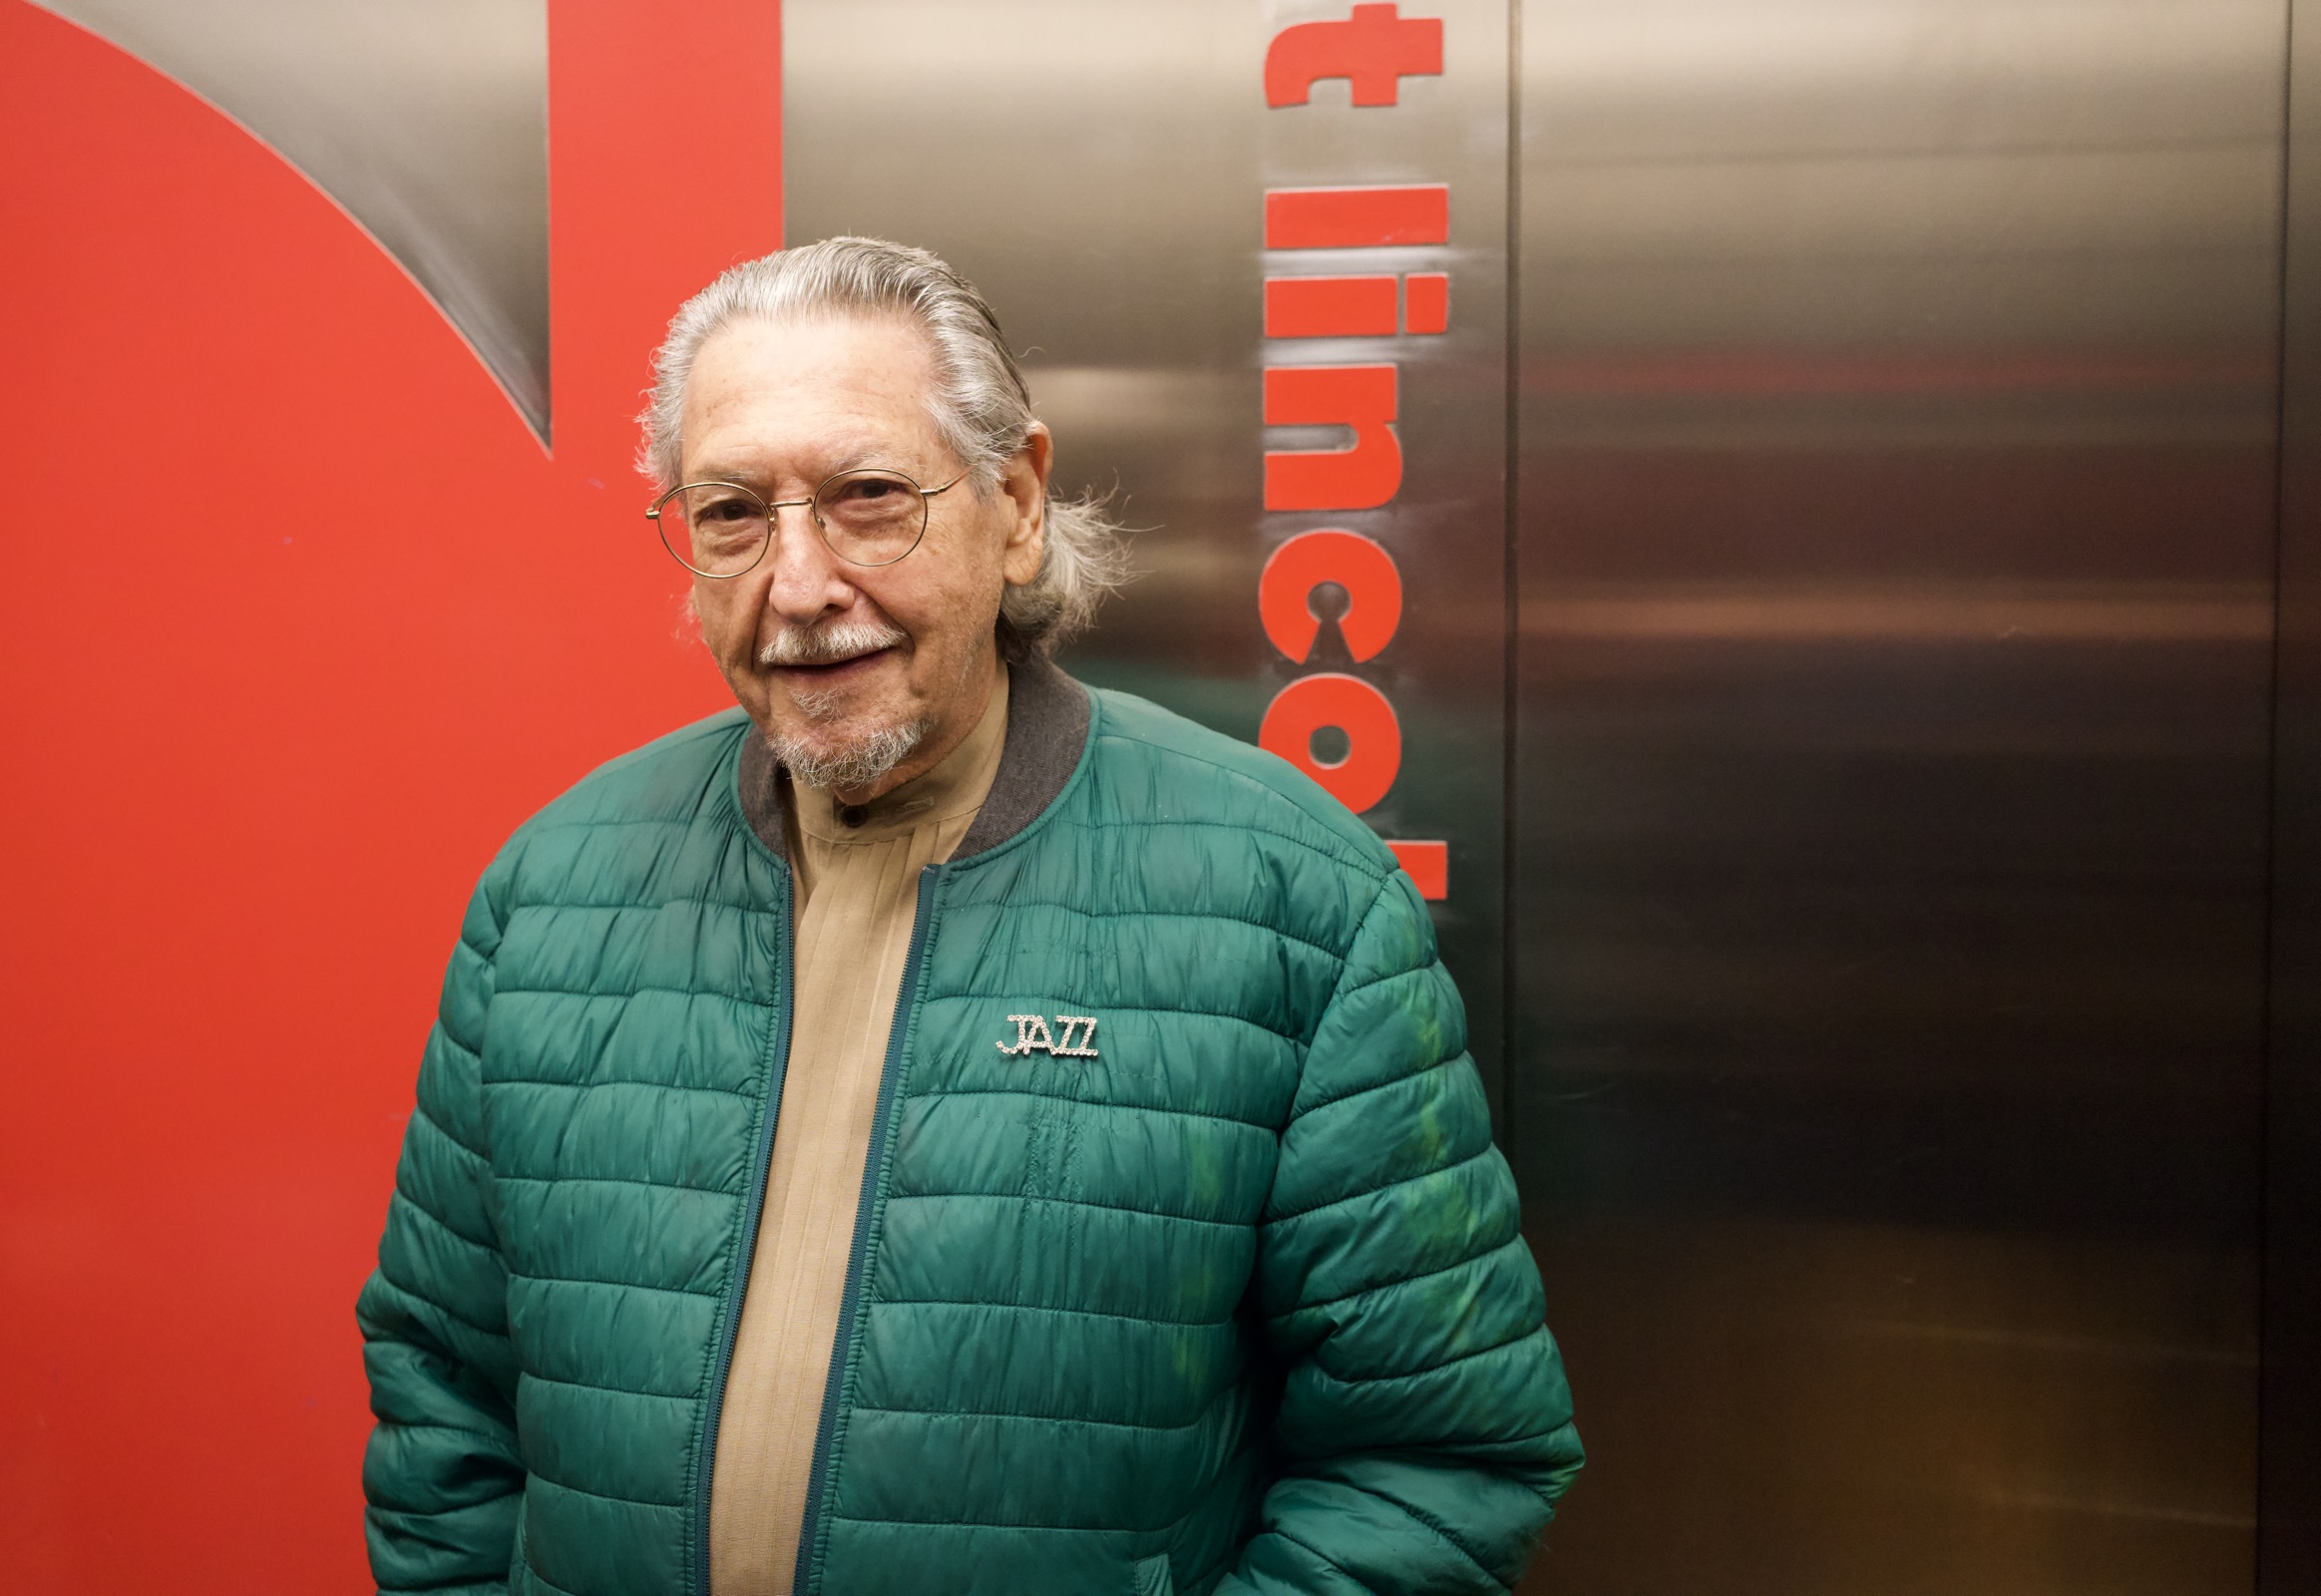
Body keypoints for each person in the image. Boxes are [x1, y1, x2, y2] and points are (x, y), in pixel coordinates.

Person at [357, 235, 1582, 1596]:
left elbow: (1435, 1456)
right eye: (732, 515)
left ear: (1016, 503)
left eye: (869, 496)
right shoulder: (552, 891)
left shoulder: (1288, 905)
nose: (801, 585)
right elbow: (444, 1394)